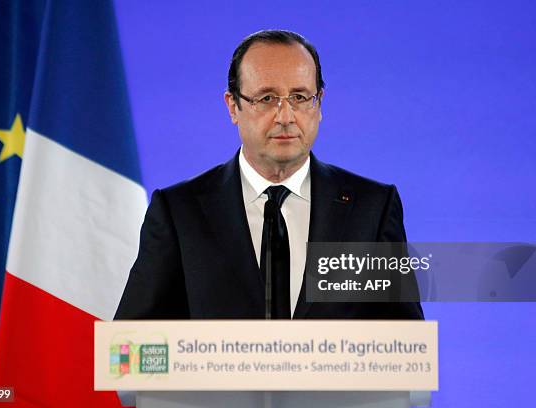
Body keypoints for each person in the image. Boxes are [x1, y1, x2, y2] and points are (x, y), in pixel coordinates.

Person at [115, 30, 423, 320]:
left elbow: (406, 351)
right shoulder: (179, 213)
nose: (286, 116)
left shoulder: (372, 209)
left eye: (300, 97)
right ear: (233, 106)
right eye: (266, 98)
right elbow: (131, 347)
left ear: (319, 105)